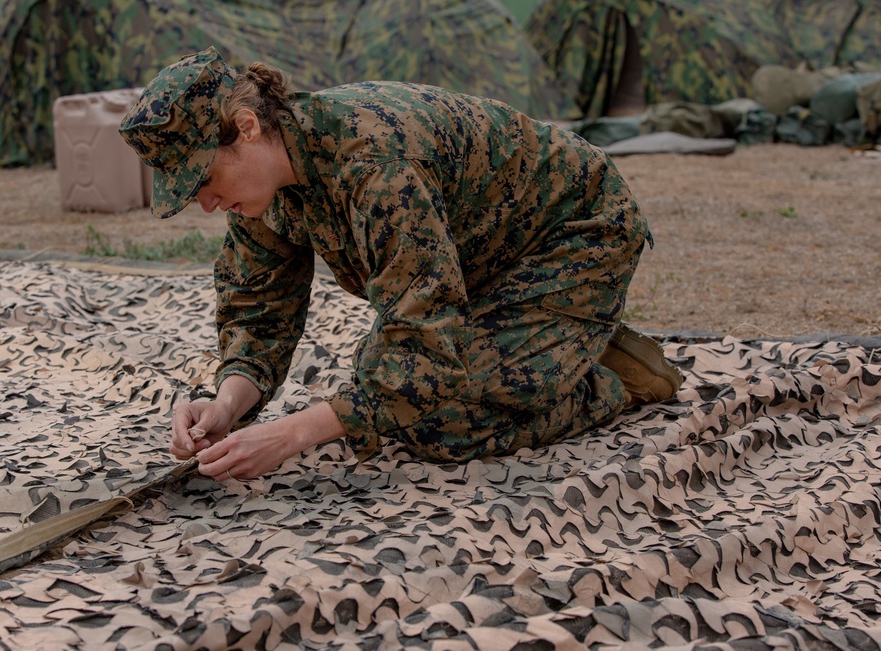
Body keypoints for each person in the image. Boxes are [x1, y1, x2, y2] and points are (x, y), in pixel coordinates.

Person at [119, 47, 683, 482]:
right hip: (476, 258)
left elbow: (421, 344)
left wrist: (289, 436)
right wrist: (227, 401)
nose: (210, 204)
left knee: (441, 421)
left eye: (206, 181)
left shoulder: (373, 167)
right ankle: (544, 345)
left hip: (573, 234)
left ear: (245, 127)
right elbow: (259, 306)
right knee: (381, 383)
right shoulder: (264, 184)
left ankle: (604, 377)